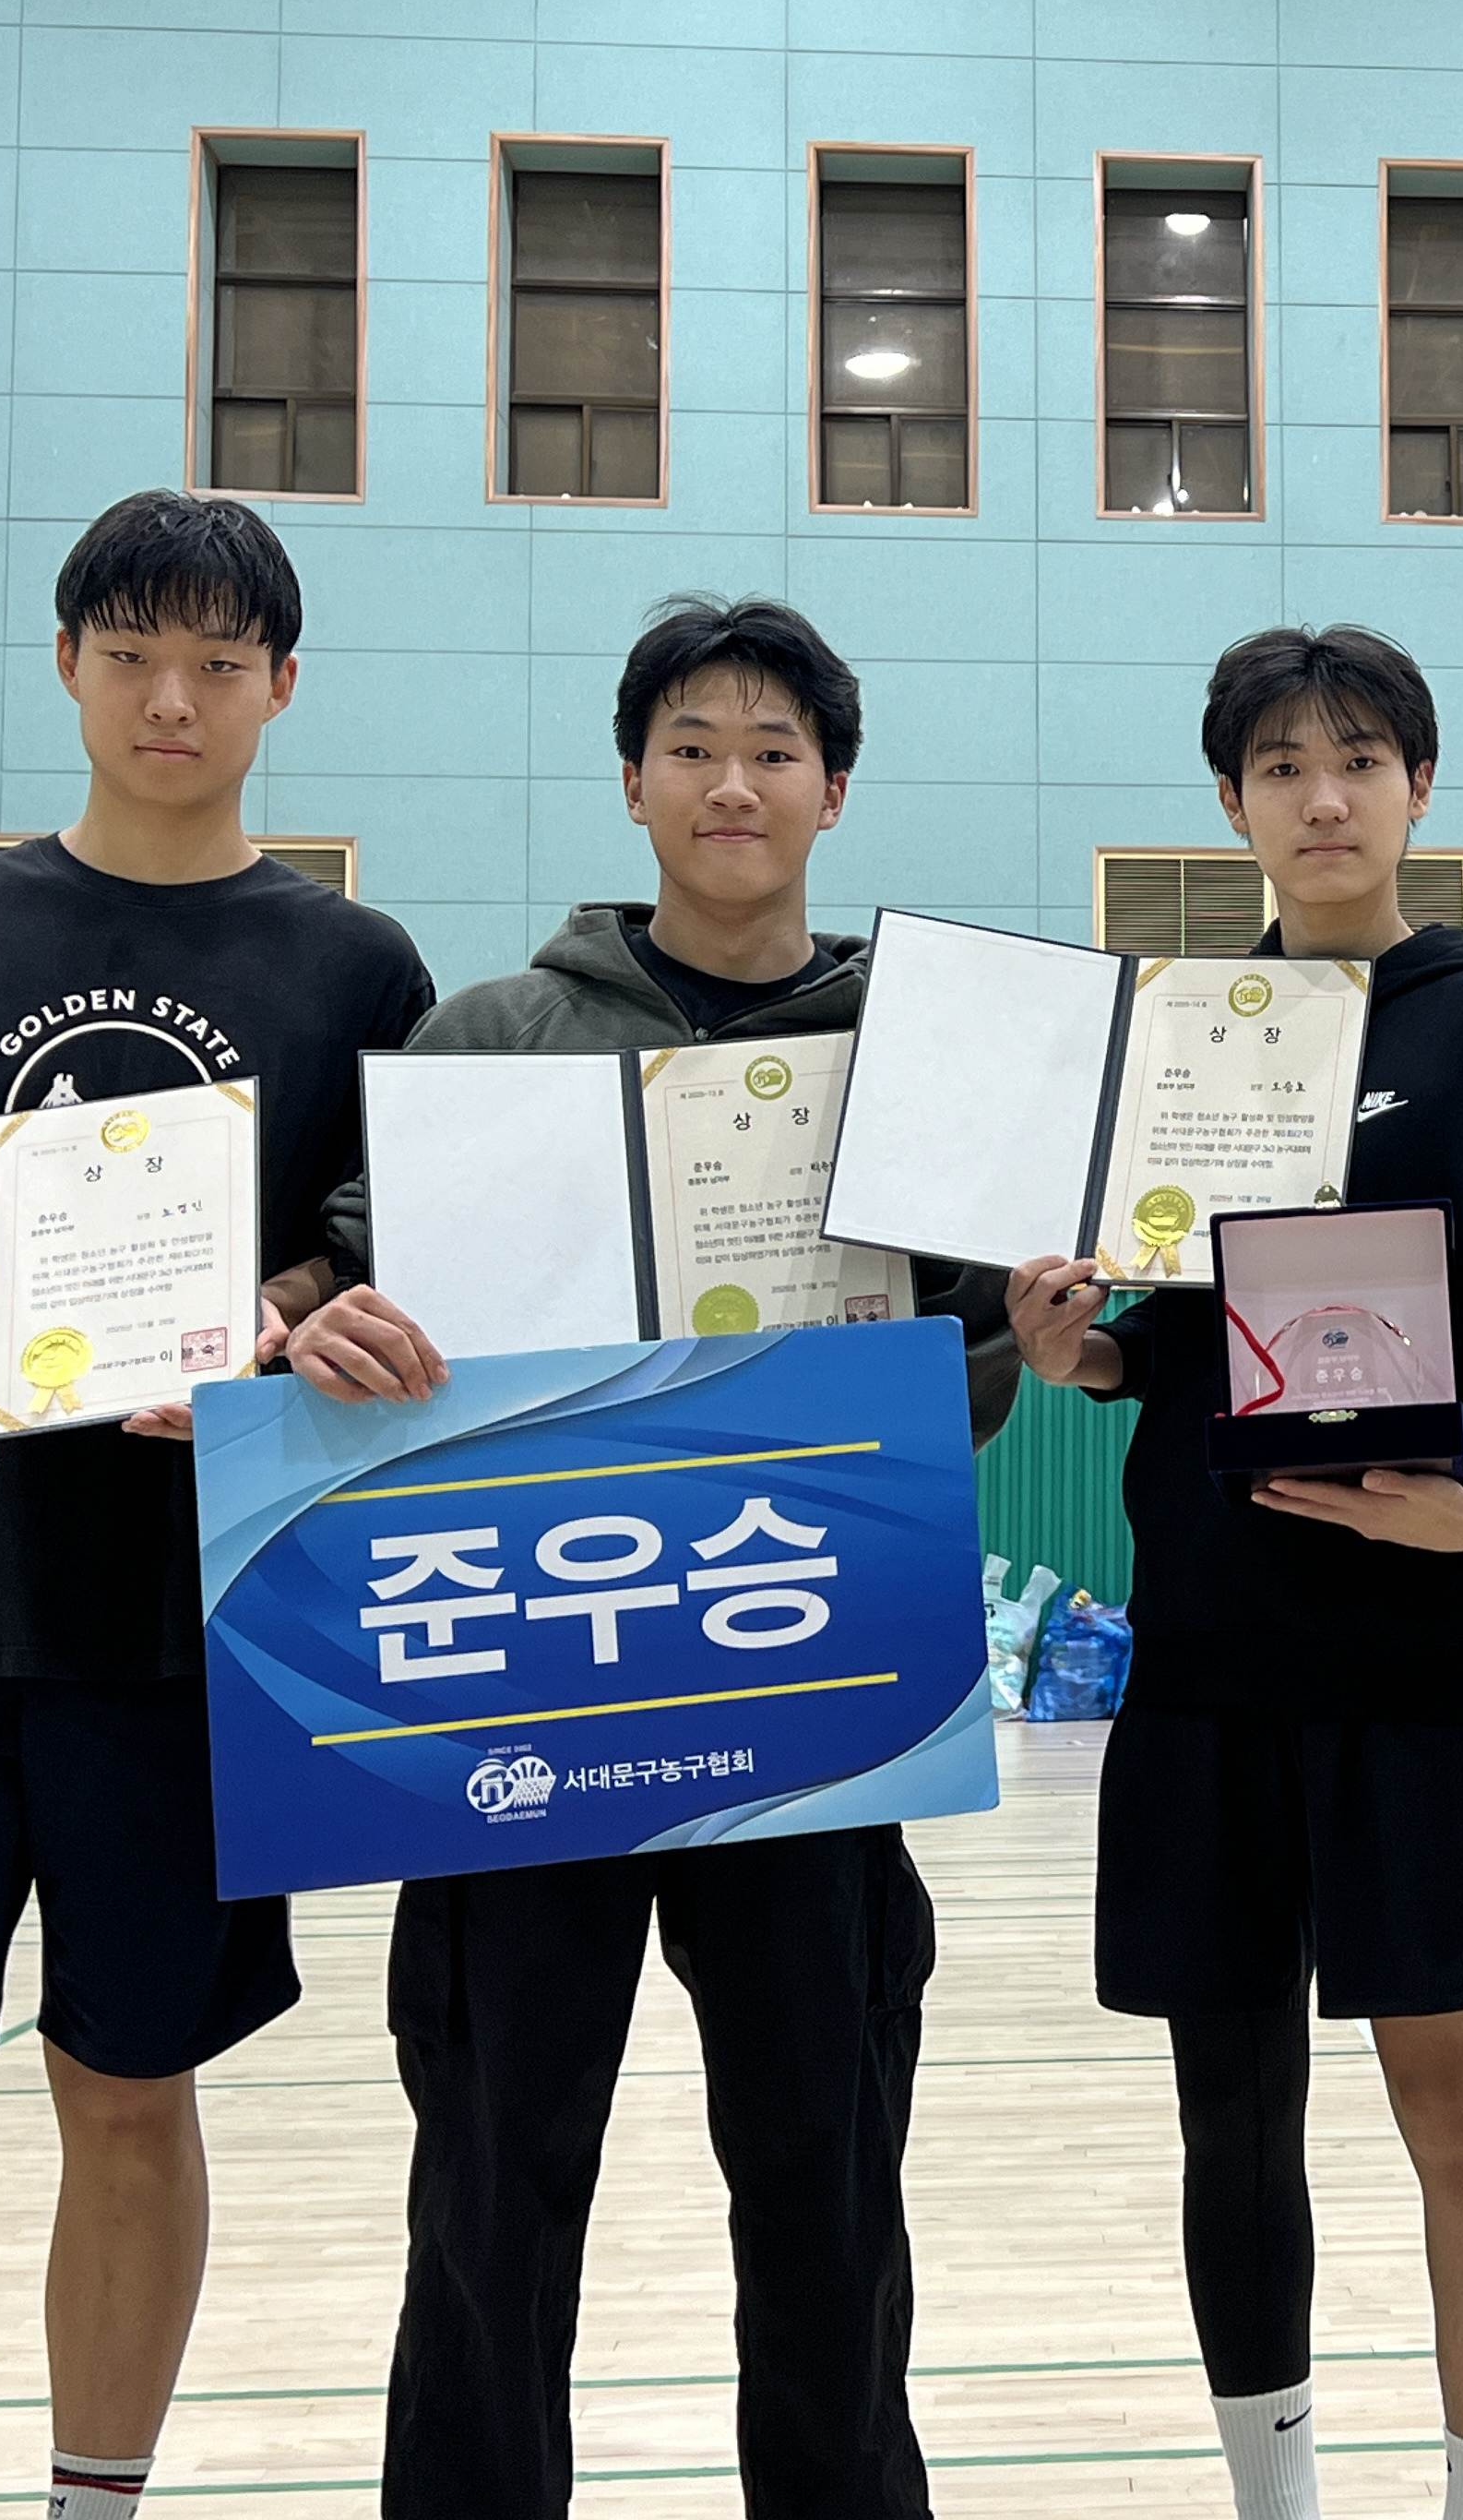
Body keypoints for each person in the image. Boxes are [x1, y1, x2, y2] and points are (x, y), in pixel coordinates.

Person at [287, 595, 1021, 2520]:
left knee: (824, 2183)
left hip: (808, 1686)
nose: (732, 781)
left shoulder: (912, 1056)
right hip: (531, 1701)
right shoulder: (490, 1037)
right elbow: (348, 1302)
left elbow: (976, 1375)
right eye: (692, 744)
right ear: (632, 781)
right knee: (492, 2179)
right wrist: (319, 1322)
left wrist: (1012, 1335)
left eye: (775, 749)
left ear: (834, 790)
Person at [0, 493, 436, 2520]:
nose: (172, 697)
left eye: (219, 662)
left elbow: (381, 1250)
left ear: (280, 687)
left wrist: (286, 1310)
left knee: (133, 2102)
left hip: (184, 1632)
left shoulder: (355, 966)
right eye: (132, 652)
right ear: (67, 661)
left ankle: (95, 2502)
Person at [1002, 626, 1463, 2520]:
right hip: (1207, 1659)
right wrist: (1078, 1353)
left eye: (1358, 759)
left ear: (1418, 786)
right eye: (1281, 767)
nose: (1324, 796)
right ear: (1233, 804)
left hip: (1420, 1663)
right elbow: (1169, 1326)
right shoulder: (1188, 1037)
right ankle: (1271, 2499)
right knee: (1231, 2114)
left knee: (1455, 2104)